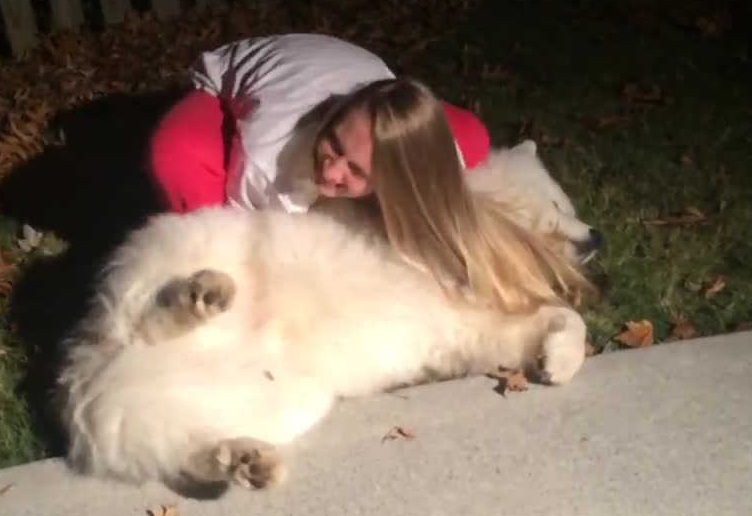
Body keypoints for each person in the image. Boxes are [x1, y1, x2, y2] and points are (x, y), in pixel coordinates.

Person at [148, 33, 590, 310]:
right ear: (334, 119)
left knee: (471, 136)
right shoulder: (270, 160)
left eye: (357, 171)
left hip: (343, 66)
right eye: (334, 147)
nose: (332, 171)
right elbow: (261, 248)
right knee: (178, 157)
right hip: (237, 75)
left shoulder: (428, 159)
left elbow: (445, 212)